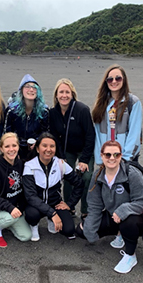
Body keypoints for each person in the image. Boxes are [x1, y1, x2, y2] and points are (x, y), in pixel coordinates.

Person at [77, 140, 143, 274]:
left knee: (128, 222)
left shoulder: (132, 173)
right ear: (102, 156)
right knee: (82, 230)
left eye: (116, 155)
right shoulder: (98, 174)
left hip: (136, 217)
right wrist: (90, 231)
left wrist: (124, 210)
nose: (112, 158)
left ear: (121, 156)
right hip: (113, 215)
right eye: (108, 155)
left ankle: (130, 255)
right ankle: (119, 233)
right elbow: (94, 205)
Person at [22, 133, 84, 241]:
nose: (48, 149)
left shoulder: (60, 164)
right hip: (36, 206)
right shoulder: (29, 166)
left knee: (69, 230)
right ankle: (34, 225)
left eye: (52, 146)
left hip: (55, 204)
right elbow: (31, 196)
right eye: (44, 146)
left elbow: (79, 183)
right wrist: (53, 213)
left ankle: (51, 220)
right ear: (37, 149)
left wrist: (69, 204)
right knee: (32, 215)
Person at [49, 78, 95, 220]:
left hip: (84, 149)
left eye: (67, 92)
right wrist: (61, 156)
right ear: (56, 95)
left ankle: (86, 209)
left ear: (72, 94)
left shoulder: (82, 109)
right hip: (66, 150)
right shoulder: (53, 112)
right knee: (68, 176)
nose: (64, 95)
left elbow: (90, 135)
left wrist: (84, 160)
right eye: (61, 92)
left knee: (86, 177)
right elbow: (54, 136)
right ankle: (69, 206)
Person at [0, 133, 32, 248]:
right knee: (10, 217)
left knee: (26, 236)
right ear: (1, 148)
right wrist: (10, 208)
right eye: (7, 146)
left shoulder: (21, 164)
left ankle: (7, 223)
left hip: (13, 208)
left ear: (18, 147)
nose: (11, 149)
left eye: (14, 145)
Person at [92, 64, 143, 165]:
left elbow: (135, 134)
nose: (114, 82)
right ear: (106, 82)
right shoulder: (101, 104)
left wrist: (124, 159)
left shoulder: (133, 103)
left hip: (125, 161)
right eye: (110, 79)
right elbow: (97, 133)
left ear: (124, 80)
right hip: (106, 160)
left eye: (118, 78)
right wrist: (100, 159)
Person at [4, 74, 49, 160]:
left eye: (34, 87)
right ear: (21, 90)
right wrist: (14, 147)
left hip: (36, 150)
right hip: (16, 149)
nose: (31, 89)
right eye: (27, 87)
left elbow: (46, 132)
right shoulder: (12, 111)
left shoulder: (44, 111)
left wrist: (37, 141)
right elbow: (6, 133)